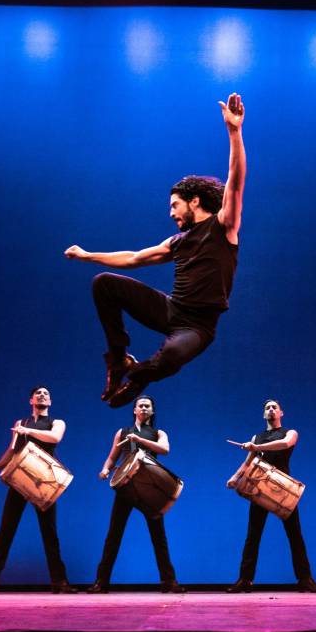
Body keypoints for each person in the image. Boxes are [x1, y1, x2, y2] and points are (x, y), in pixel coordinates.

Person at [64, 94, 245, 407]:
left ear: (195, 201)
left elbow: (236, 180)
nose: (171, 213)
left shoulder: (223, 226)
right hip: (171, 310)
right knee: (104, 283)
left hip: (197, 327)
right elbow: (134, 258)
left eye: (175, 205)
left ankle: (137, 377)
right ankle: (119, 359)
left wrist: (234, 132)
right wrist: (86, 255)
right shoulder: (175, 243)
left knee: (172, 354)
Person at [0, 387, 76, 594]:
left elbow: (54, 438)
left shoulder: (56, 423)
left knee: (49, 532)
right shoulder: (21, 423)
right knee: (6, 530)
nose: (42, 395)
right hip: (20, 480)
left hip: (45, 482)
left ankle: (59, 581)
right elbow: (13, 450)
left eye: (46, 393)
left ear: (51, 401)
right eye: (38, 393)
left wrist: (27, 432)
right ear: (31, 400)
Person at [87, 395, 185, 594]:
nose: (144, 408)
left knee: (159, 537)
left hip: (149, 489)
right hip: (126, 488)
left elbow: (165, 449)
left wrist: (139, 440)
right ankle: (101, 582)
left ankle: (169, 582)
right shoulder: (122, 432)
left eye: (148, 406)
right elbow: (112, 457)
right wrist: (105, 469)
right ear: (134, 410)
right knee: (113, 535)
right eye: (140, 405)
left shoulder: (158, 433)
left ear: (152, 411)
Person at [225, 399, 316, 594]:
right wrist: (235, 477)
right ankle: (245, 580)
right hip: (259, 488)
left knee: (295, 535)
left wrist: (255, 447)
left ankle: (305, 579)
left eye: (274, 407)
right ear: (264, 414)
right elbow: (248, 462)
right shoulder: (257, 437)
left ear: (281, 413)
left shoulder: (289, 433)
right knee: (252, 536)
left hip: (283, 489)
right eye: (267, 408)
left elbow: (284, 444)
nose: (270, 410)